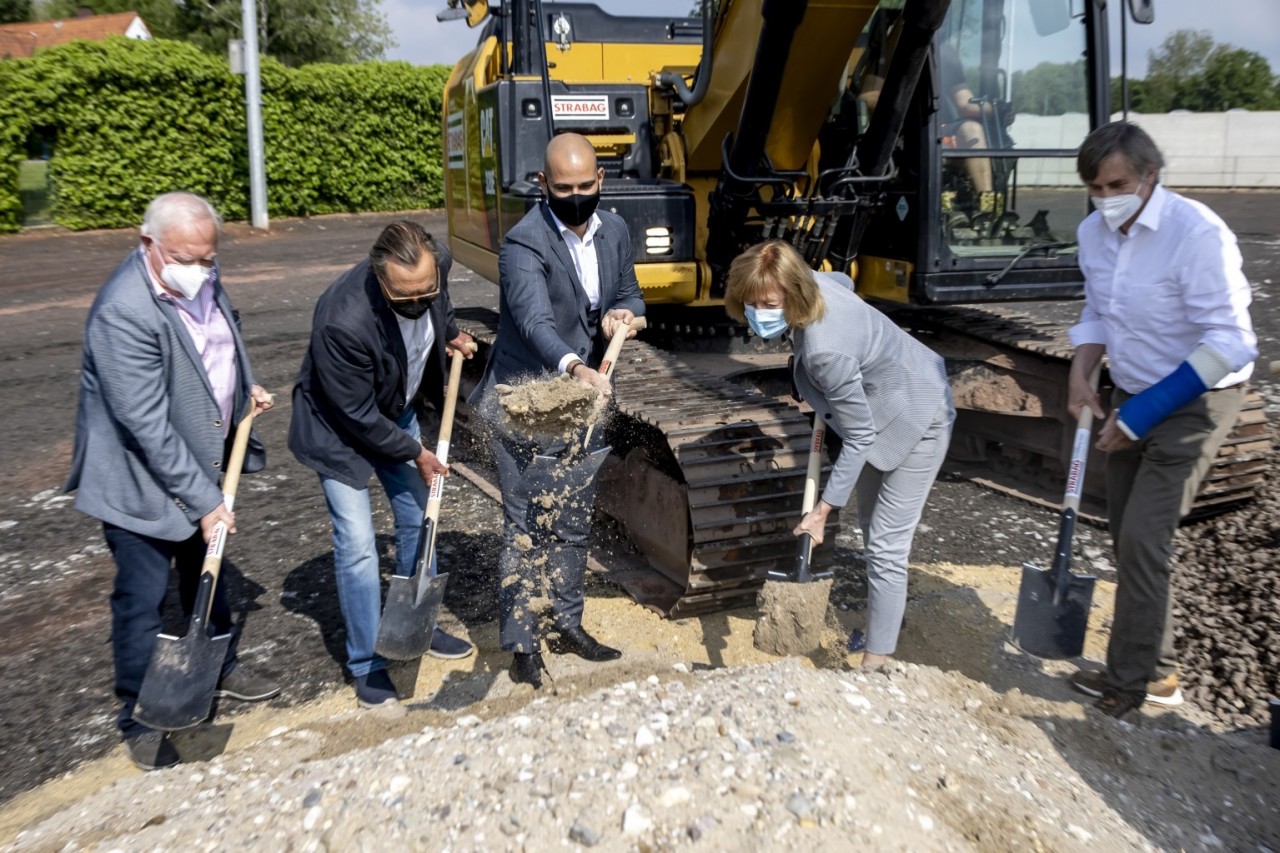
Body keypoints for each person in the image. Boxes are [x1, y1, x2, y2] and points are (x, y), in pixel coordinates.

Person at [66, 191, 280, 771]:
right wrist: (207, 499)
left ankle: (217, 666)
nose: (201, 270)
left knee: (202, 569)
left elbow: (221, 339)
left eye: (208, 258)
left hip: (202, 459)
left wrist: (245, 389)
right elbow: (146, 424)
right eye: (187, 258)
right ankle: (138, 713)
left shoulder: (200, 272)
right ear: (149, 245)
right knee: (141, 597)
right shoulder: (123, 311)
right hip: (138, 478)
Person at [1066, 122, 1257, 719]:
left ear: (1151, 175)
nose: (1105, 199)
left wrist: (1143, 414)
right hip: (1131, 388)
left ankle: (1129, 684)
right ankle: (1160, 667)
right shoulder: (1092, 233)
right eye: (1093, 188)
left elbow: (1233, 342)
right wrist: (1081, 372)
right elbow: (1098, 309)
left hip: (1194, 401)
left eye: (1117, 184)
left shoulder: (1196, 234)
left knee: (1147, 539)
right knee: (1128, 537)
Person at [723, 240, 954, 667]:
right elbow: (843, 279)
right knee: (870, 524)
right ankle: (889, 616)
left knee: (886, 545)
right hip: (881, 400)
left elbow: (861, 437)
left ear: (796, 294)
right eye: (751, 303)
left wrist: (822, 511)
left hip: (919, 412)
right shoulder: (819, 282)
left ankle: (877, 660)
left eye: (770, 303)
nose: (760, 313)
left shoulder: (825, 352)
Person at [470, 132, 645, 689]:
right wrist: (575, 367)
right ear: (543, 185)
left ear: (601, 181)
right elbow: (533, 323)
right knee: (525, 527)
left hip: (580, 406)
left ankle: (568, 622)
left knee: (571, 522)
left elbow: (631, 292)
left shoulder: (613, 229)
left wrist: (623, 313)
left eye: (583, 186)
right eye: (562, 187)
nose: (574, 196)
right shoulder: (524, 245)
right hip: (525, 401)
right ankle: (522, 643)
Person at [289, 221, 476, 709]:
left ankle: (417, 625)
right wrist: (417, 452)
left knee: (420, 517)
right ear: (379, 278)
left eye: (425, 292)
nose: (417, 302)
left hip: (395, 408)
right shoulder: (341, 319)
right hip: (338, 429)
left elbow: (441, 303)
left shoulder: (436, 268)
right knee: (356, 545)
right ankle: (366, 662)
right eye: (403, 296)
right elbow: (355, 415)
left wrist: (451, 333)